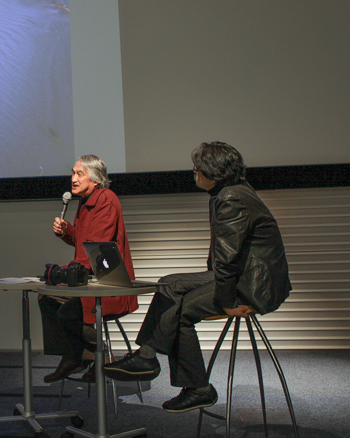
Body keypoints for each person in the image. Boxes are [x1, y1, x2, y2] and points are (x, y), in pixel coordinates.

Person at [103, 142, 292, 413]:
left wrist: (227, 302)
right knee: (169, 284)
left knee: (181, 310)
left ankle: (197, 388)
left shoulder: (231, 197)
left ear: (214, 171)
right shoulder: (227, 193)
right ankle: (147, 356)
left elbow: (227, 258)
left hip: (254, 286)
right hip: (243, 276)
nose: (194, 171)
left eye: (198, 167)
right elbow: (224, 257)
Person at [39, 155, 139, 383]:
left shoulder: (105, 199)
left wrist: (69, 273)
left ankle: (95, 354)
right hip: (90, 277)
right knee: (47, 298)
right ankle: (78, 355)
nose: (73, 179)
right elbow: (83, 241)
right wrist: (67, 231)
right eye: (73, 173)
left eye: (79, 174)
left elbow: (97, 245)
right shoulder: (85, 202)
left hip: (107, 280)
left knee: (67, 309)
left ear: (95, 179)